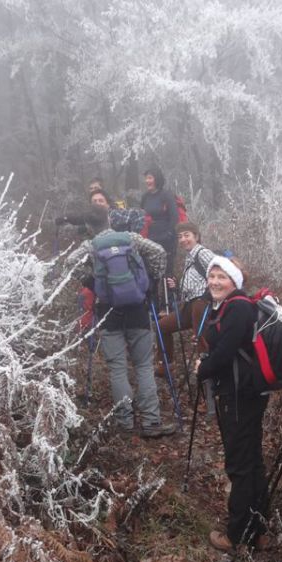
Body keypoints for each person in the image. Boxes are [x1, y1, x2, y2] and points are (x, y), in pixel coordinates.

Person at [195, 255, 272, 553]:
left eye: (221, 277)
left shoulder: (237, 307)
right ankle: (259, 531)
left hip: (238, 396)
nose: (214, 281)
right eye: (211, 276)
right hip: (246, 394)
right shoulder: (232, 305)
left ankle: (237, 535)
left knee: (240, 464)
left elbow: (225, 352)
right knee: (251, 460)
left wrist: (202, 369)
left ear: (234, 282)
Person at [80, 206, 175, 438]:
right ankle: (152, 422)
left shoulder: (93, 243)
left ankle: (125, 421)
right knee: (143, 366)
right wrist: (150, 280)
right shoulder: (132, 239)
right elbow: (160, 253)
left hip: (108, 312)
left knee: (117, 368)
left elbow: (71, 263)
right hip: (137, 309)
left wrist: (91, 282)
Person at [154, 221, 215, 377]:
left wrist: (209, 294)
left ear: (196, 236)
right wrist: (177, 288)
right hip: (189, 304)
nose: (183, 239)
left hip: (201, 303)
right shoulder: (190, 257)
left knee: (201, 339)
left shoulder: (202, 253)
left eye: (187, 235)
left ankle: (208, 372)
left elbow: (219, 272)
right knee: (162, 326)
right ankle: (165, 365)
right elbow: (193, 285)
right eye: (180, 236)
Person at [140, 166, 179, 282]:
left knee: (167, 273)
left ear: (157, 179)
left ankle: (170, 297)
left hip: (166, 239)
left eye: (150, 178)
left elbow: (174, 217)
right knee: (151, 272)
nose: (147, 181)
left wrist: (169, 235)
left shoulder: (166, 195)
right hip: (150, 238)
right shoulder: (145, 196)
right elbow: (142, 215)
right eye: (146, 178)